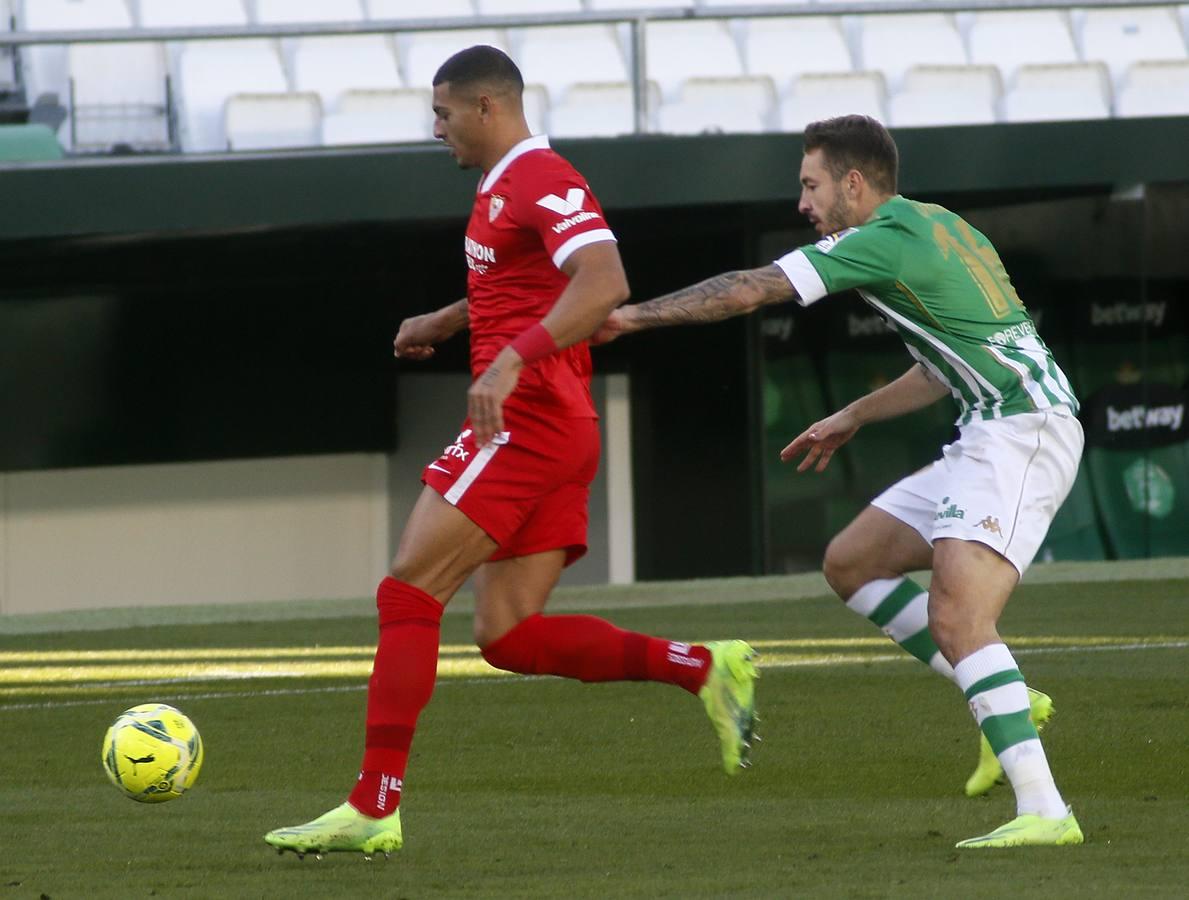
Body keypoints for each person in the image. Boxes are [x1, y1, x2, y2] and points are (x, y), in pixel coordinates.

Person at [263, 46, 758, 860]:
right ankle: (702, 667)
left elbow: (604, 281)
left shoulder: (538, 174)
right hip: (555, 427)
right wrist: (448, 320)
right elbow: (522, 283)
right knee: (505, 633)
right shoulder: (503, 187)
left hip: (526, 421)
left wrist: (507, 358)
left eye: (443, 113)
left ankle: (372, 805)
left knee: (408, 590)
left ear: (486, 108)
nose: (435, 129)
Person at [597, 115, 1084, 849]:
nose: (802, 202)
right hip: (992, 425)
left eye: (809, 184)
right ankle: (1004, 701)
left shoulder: (879, 239)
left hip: (1023, 427)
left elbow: (747, 291)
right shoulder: (936, 225)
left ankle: (1045, 810)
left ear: (852, 184)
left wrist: (629, 318)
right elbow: (939, 366)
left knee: (959, 618)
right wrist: (852, 414)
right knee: (852, 563)